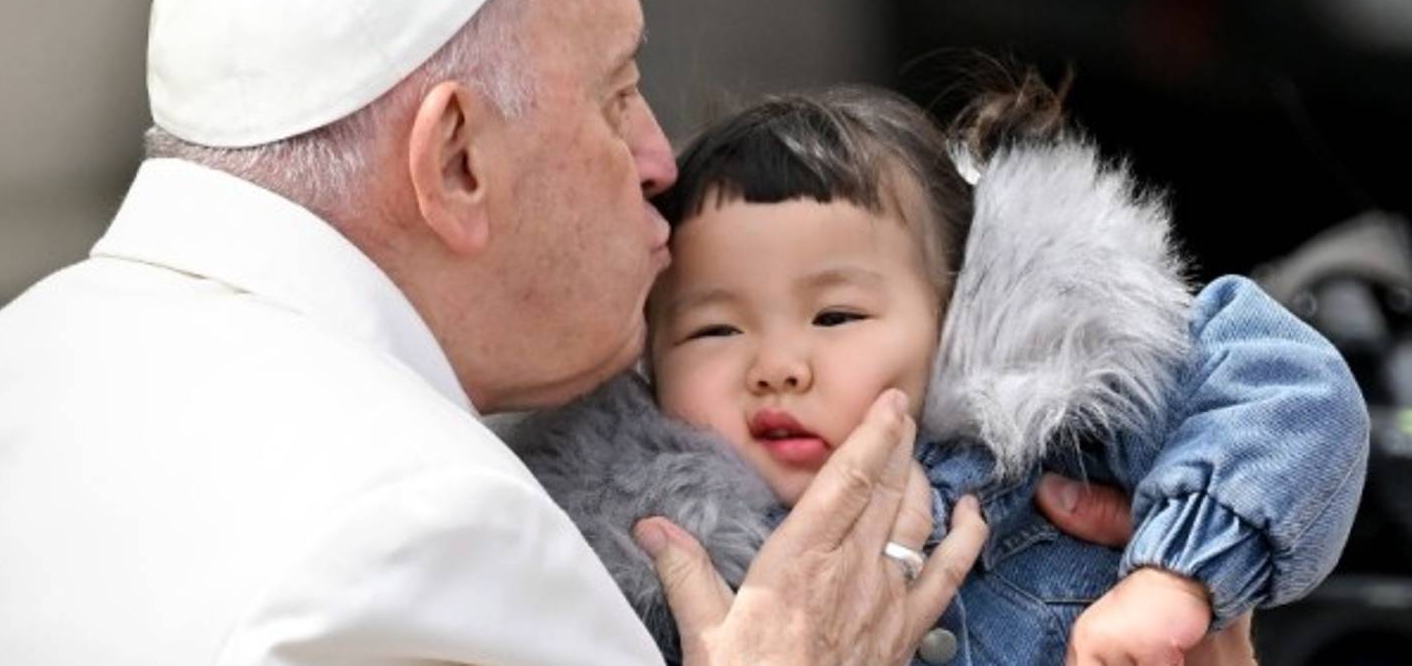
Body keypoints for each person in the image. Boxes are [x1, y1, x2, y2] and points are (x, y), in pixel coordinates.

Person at [0, 0, 996, 663]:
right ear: (458, 161)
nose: (658, 158)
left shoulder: (14, 359)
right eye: (616, 94)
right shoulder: (429, 536)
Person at [508, 79, 1369, 664]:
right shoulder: (635, 569)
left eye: (835, 316)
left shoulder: (1055, 446)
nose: (775, 367)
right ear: (648, 360)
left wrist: (1174, 575)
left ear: (954, 318)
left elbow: (1284, 388)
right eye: (714, 328)